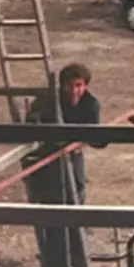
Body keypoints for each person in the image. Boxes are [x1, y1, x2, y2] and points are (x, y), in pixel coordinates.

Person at [26, 63, 105, 205]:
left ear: (85, 86)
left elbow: (99, 140)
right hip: (46, 157)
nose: (74, 91)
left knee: (76, 191)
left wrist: (82, 141)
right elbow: (32, 126)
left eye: (78, 85)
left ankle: (76, 225)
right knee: (48, 198)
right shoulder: (47, 100)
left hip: (72, 156)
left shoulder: (90, 104)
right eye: (69, 86)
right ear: (62, 86)